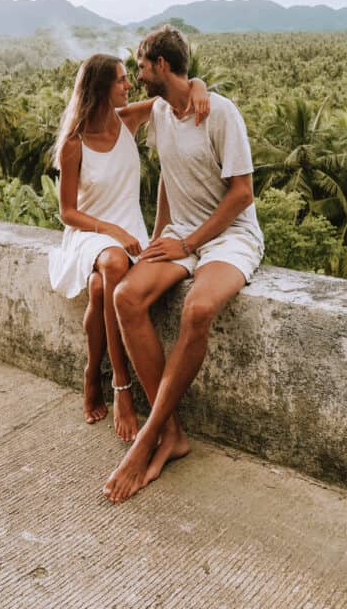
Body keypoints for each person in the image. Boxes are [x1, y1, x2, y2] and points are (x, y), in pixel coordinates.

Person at [103, 26, 264, 502]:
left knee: (196, 310)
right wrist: (160, 237)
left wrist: (190, 241)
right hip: (181, 236)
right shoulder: (158, 111)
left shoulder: (220, 113)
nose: (136, 75)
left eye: (142, 66)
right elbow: (164, 176)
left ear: (163, 66)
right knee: (126, 297)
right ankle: (170, 431)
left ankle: (148, 438)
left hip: (229, 236)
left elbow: (242, 194)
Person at [49, 53, 210, 442]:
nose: (129, 85)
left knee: (104, 286)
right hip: (91, 234)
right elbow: (68, 212)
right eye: (121, 80)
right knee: (112, 263)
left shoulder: (128, 121)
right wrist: (110, 230)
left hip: (131, 236)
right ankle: (121, 387)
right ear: (101, 88)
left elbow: (173, 96)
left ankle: (92, 372)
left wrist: (201, 86)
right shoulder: (75, 143)